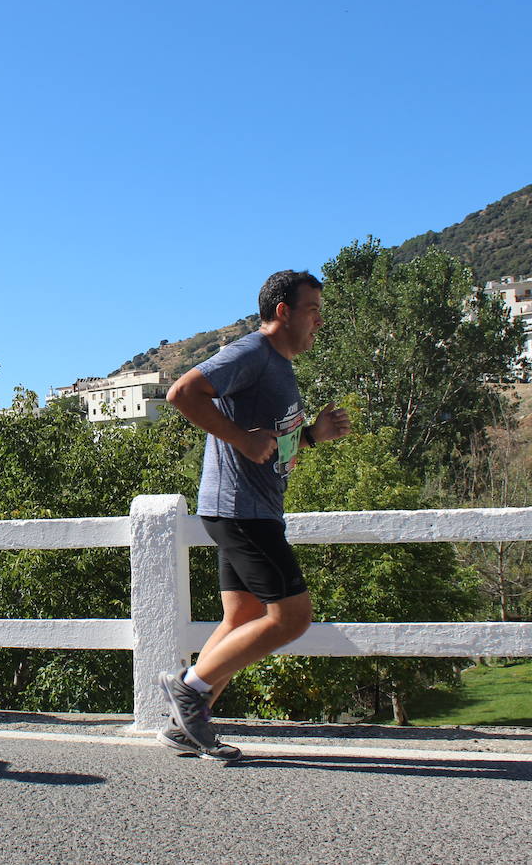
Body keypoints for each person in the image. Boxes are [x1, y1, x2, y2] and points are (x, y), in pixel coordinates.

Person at [158, 270, 350, 759]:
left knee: (242, 615)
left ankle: (184, 724)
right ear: (283, 311)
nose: (319, 321)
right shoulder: (253, 353)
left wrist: (312, 436)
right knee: (292, 617)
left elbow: (270, 444)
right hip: (242, 509)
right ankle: (189, 689)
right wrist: (240, 439)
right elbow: (183, 393)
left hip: (247, 508)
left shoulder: (279, 366)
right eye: (312, 311)